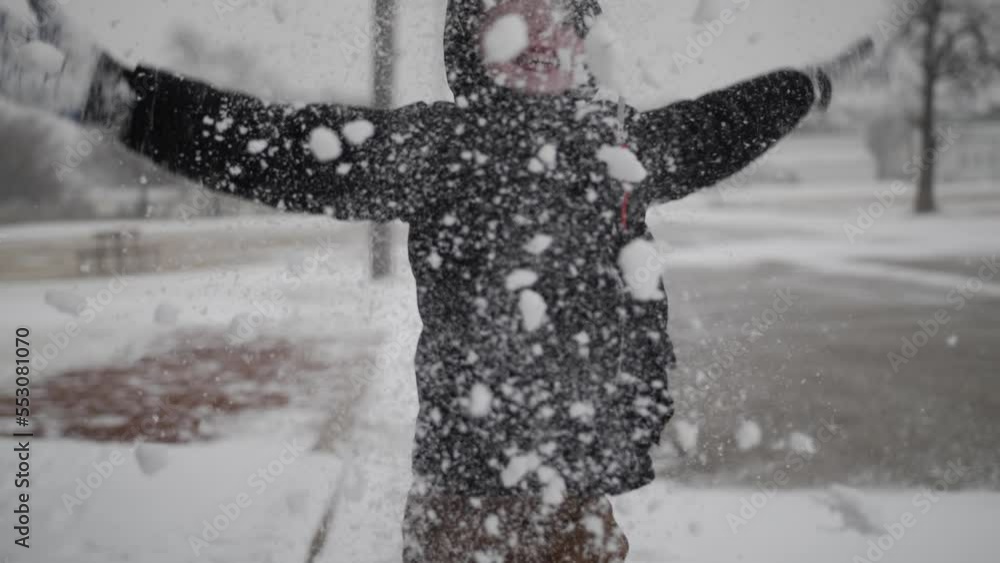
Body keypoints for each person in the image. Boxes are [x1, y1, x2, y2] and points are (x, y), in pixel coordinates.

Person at [0, 0, 871, 560]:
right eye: (510, 19)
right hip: (469, 504)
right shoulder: (441, 147)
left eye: (559, 18)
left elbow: (722, 122)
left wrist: (807, 81)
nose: (539, 34)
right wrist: (117, 95)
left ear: (582, 41)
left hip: (586, 496)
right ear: (474, 51)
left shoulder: (622, 144)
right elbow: (268, 141)